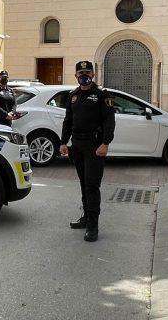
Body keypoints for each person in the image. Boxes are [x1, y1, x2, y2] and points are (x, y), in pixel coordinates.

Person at [58, 61, 115, 242]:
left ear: (93, 74)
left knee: (92, 185)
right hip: (77, 145)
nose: (84, 76)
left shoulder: (101, 95)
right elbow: (68, 120)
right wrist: (63, 142)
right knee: (84, 184)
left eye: (87, 72)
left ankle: (93, 225)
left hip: (94, 146)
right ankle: (86, 217)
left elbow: (109, 121)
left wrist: (105, 143)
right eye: (81, 73)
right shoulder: (73, 96)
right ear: (76, 75)